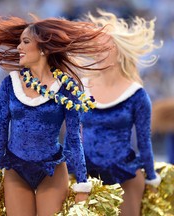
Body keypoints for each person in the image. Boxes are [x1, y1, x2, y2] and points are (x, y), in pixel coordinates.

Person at [0, 14, 111, 215]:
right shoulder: (10, 84)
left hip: (52, 169)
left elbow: (74, 138)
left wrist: (82, 183)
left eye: (25, 42)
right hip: (16, 168)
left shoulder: (66, 88)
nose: (19, 47)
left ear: (43, 49)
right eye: (19, 42)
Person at [75, 10, 162, 216]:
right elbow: (74, 136)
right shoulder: (81, 88)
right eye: (96, 46)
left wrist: (151, 177)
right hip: (87, 177)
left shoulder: (136, 94)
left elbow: (144, 141)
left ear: (119, 52)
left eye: (105, 47)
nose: (98, 51)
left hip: (125, 175)